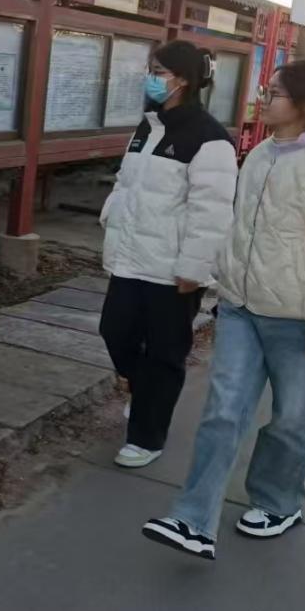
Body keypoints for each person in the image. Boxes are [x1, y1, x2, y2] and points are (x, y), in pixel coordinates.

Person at [143, 60, 305, 561]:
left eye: (274, 93)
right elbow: (239, 228)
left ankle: (278, 501)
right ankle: (192, 519)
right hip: (242, 310)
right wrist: (222, 280)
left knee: (291, 418)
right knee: (223, 412)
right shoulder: (260, 154)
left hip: (299, 320)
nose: (262, 99)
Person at [99, 39, 237, 468]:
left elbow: (211, 213)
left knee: (164, 353)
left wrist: (194, 269)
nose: (151, 78)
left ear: (183, 80)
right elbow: (127, 183)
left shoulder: (211, 139)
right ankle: (145, 398)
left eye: (158, 71)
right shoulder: (149, 126)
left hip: (174, 268)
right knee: (114, 332)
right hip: (131, 256)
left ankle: (147, 435)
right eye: (151, 69)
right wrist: (111, 218)